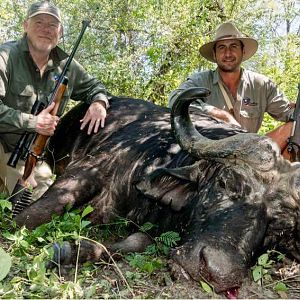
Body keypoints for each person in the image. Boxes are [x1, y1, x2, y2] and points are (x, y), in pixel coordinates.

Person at [0, 1, 110, 199]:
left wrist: (99, 102)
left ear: (60, 31)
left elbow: (95, 87)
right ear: (25, 25)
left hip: (33, 154)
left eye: (52, 25)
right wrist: (34, 122)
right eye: (39, 22)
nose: (46, 29)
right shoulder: (5, 56)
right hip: (3, 143)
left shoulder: (67, 66)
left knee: (45, 203)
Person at [168, 22, 295, 156]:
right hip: (212, 156)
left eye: (233, 46)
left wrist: (296, 110)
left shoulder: (262, 84)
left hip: (252, 154)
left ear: (243, 51)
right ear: (215, 54)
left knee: (294, 128)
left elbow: (288, 112)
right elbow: (175, 99)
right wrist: (217, 113)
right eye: (222, 47)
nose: (228, 53)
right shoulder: (201, 80)